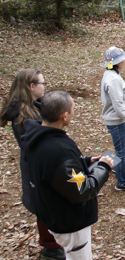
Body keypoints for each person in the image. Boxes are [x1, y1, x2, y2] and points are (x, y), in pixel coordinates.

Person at [22, 90, 114, 260]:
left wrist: (86, 162)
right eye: (72, 110)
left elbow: (57, 172)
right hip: (70, 223)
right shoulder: (58, 150)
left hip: (51, 213)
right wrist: (103, 167)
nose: (73, 113)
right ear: (64, 116)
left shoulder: (36, 137)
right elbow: (83, 189)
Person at [0, 69, 65, 260]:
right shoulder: (24, 117)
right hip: (38, 167)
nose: (45, 87)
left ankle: (52, 243)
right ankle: (50, 248)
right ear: (31, 86)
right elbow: (39, 144)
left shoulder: (31, 108)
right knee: (45, 204)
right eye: (42, 84)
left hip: (37, 165)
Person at [100, 47, 125, 193]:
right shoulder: (113, 79)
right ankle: (122, 182)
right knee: (121, 151)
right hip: (116, 121)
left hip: (119, 119)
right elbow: (118, 105)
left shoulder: (111, 74)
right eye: (123, 59)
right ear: (117, 62)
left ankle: (119, 166)